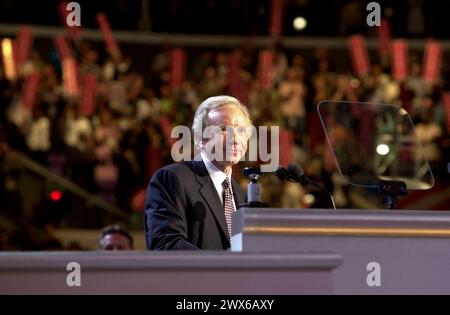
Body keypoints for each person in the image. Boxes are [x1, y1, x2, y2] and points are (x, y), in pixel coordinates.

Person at [145, 95, 252, 250]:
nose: (235, 139)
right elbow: (166, 245)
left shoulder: (241, 194)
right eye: (223, 129)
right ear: (200, 139)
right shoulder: (173, 179)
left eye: (241, 130)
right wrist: (220, 266)